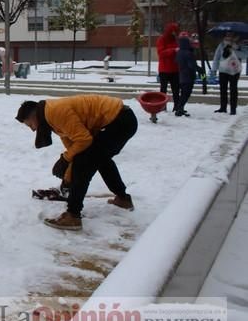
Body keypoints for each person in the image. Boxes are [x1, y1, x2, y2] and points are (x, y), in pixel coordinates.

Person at [15, 95, 138, 231]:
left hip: (120, 121)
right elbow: (73, 147)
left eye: (30, 124)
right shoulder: (50, 116)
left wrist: (65, 159)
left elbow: (84, 140)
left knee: (84, 164)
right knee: (99, 160)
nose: (33, 129)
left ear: (34, 115)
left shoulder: (55, 112)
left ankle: (73, 215)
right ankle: (123, 199)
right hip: (120, 120)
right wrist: (67, 176)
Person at [211, 33, 244, 115]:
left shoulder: (239, 45)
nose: (228, 37)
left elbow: (245, 55)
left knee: (233, 90)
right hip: (223, 70)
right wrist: (214, 69)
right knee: (223, 89)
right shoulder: (221, 45)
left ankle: (233, 109)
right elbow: (217, 56)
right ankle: (223, 107)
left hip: (235, 71)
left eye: (230, 36)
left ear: (234, 37)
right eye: (226, 36)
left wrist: (233, 50)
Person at [175, 32, 202, 117]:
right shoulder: (188, 53)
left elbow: (176, 61)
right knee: (186, 94)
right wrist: (200, 70)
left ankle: (180, 108)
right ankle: (179, 109)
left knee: (183, 93)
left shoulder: (179, 52)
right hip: (188, 77)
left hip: (181, 76)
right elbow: (191, 65)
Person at [156, 22, 181, 112]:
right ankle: (162, 106)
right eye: (173, 31)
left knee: (176, 89)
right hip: (164, 69)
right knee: (163, 90)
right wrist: (173, 50)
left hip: (175, 69)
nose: (174, 33)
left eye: (176, 31)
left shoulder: (176, 40)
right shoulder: (162, 39)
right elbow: (161, 53)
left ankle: (177, 106)